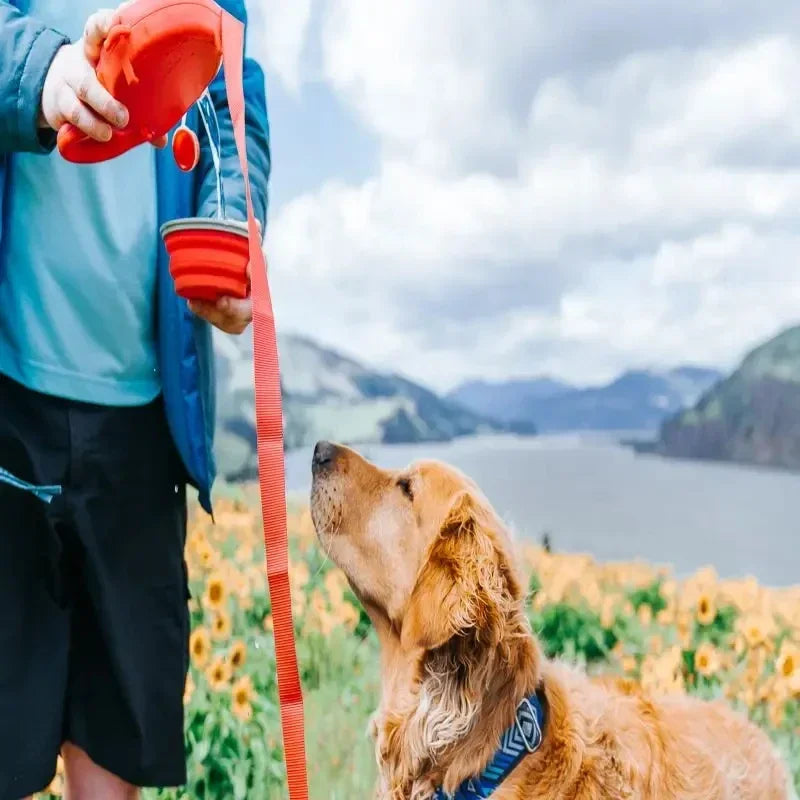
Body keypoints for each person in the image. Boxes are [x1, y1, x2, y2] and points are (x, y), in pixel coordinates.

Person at [0, 1, 270, 798]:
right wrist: (39, 71)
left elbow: (233, 116)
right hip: (8, 410)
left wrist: (229, 225)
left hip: (146, 428)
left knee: (117, 741)